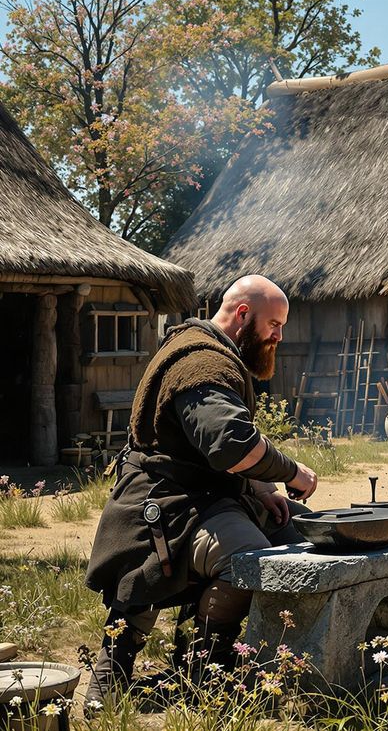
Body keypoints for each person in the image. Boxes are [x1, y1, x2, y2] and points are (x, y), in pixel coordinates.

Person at [83, 276, 320, 702]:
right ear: (243, 314)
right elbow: (230, 444)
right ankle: (207, 671)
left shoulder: (213, 352)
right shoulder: (202, 365)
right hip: (167, 503)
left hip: (207, 494)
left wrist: (261, 486)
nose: (279, 336)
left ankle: (197, 667)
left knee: (303, 532)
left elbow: (207, 448)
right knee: (250, 560)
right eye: (274, 324)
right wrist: (290, 474)